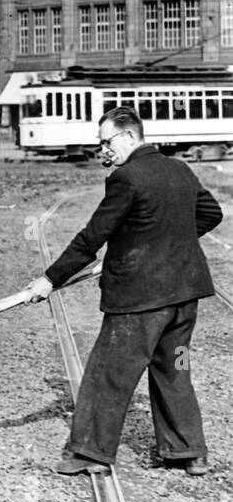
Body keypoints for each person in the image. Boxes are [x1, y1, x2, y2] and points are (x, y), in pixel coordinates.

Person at [26, 106, 221, 477]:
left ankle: (89, 453)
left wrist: (50, 279)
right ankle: (190, 452)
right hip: (185, 298)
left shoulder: (126, 178)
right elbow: (211, 214)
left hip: (140, 301)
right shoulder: (178, 168)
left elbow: (91, 237)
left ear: (129, 136)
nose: (104, 151)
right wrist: (162, 243)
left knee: (108, 373)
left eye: (107, 142)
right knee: (176, 367)